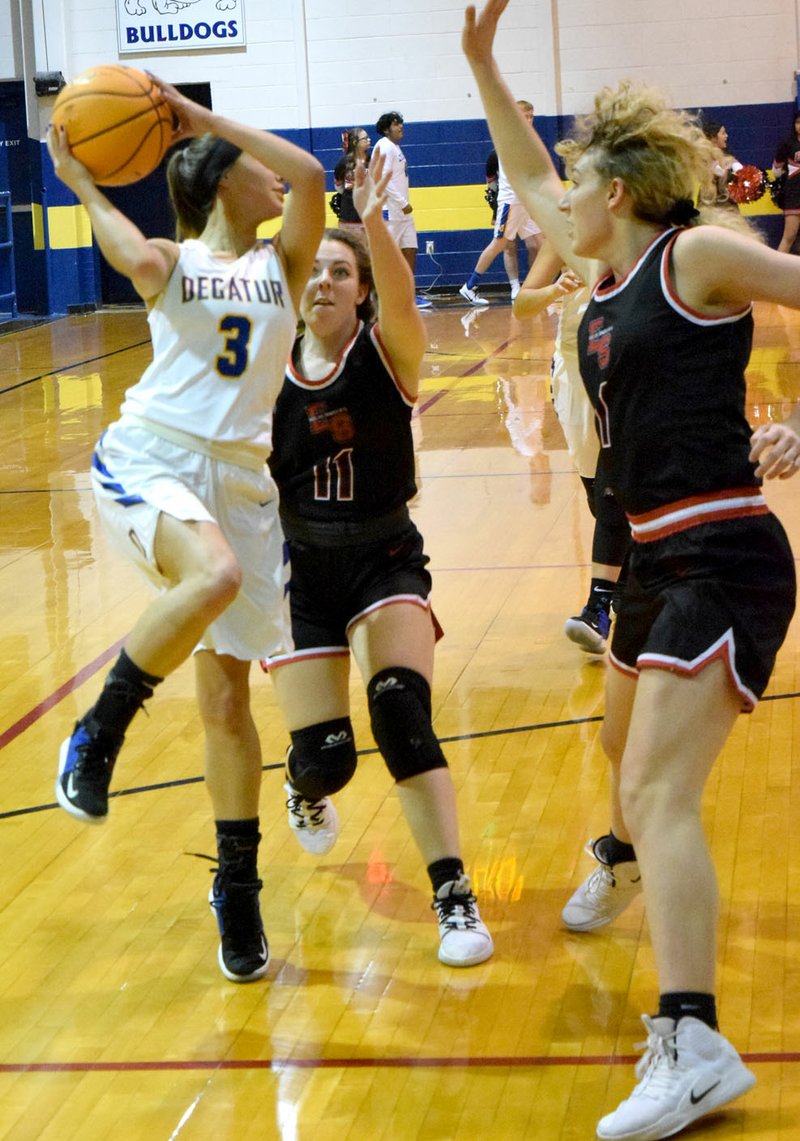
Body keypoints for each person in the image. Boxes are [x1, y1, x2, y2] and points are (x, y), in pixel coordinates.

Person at [463, 3, 798, 1139]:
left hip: (721, 546)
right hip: (649, 553)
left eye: (573, 177)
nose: (553, 191)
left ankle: (691, 1042)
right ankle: (616, 856)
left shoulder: (691, 254)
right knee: (617, 754)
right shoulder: (599, 278)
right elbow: (521, 163)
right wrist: (478, 61)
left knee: (658, 787)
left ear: (612, 191)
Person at [49, 80, 325, 984]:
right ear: (219, 187)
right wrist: (79, 182)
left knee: (226, 706)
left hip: (242, 486)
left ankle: (236, 885)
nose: (274, 180)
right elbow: (129, 246)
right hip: (154, 456)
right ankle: (98, 731)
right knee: (206, 576)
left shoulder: (283, 265)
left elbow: (314, 173)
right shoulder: (171, 260)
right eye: (256, 170)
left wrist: (205, 117)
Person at [263, 153, 493, 969]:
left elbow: (399, 292)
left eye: (340, 271)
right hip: (298, 572)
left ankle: (452, 890)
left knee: (399, 710)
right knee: (326, 758)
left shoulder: (388, 350)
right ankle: (303, 781)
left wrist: (371, 225)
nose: (323, 281)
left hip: (384, 556)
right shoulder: (263, 372)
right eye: (313, 270)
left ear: (360, 290)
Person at [513, 240, 630, 653]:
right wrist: (555, 290)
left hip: (626, 362)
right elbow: (522, 304)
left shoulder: (643, 228)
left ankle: (600, 602)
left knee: (615, 484)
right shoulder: (565, 235)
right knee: (597, 491)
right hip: (575, 367)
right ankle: (625, 584)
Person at [459, 100, 543, 305]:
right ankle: (469, 287)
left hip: (523, 202)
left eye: (532, 116)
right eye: (526, 116)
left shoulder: (526, 138)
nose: (530, 120)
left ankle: (535, 287)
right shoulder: (511, 138)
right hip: (511, 202)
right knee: (499, 244)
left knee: (541, 243)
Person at [370, 110, 432, 309]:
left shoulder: (395, 148)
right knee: (387, 256)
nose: (401, 127)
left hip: (403, 213)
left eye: (401, 123)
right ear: (387, 128)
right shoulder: (384, 147)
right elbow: (381, 178)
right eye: (396, 124)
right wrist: (401, 203)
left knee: (410, 249)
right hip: (391, 210)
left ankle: (408, 296)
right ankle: (380, 298)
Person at [332, 126, 371, 230]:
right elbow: (338, 187)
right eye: (365, 138)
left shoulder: (372, 161)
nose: (369, 140)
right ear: (355, 142)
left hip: (368, 215)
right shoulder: (343, 164)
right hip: (349, 216)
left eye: (368, 137)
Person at [772, 111, 800, 253]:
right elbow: (776, 169)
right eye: (798, 122)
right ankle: (775, 272)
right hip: (794, 194)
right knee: (789, 236)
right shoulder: (788, 143)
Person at [700, 120, 741, 209]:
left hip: (728, 204)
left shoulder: (728, 156)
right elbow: (719, 172)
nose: (726, 136)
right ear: (713, 137)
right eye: (723, 133)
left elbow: (740, 171)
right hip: (710, 204)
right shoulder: (703, 156)